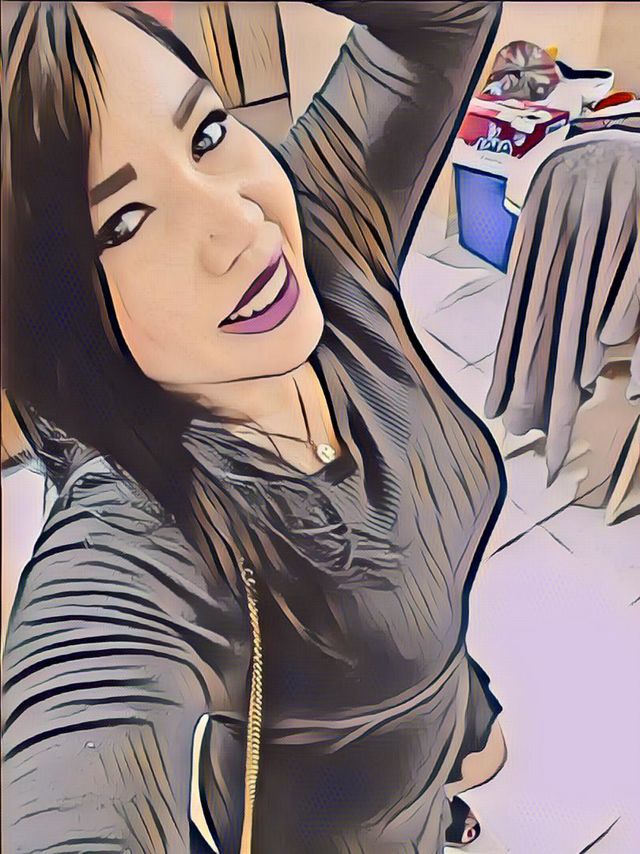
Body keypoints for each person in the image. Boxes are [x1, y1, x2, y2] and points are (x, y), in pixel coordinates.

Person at [1, 2, 507, 851]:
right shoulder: (139, 532)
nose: (240, 225)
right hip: (342, 825)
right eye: (124, 222)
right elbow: (74, 768)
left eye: (204, 133)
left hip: (439, 694)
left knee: (485, 755)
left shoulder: (322, 232)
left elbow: (444, 17)